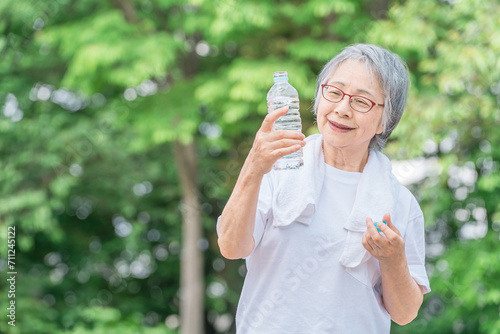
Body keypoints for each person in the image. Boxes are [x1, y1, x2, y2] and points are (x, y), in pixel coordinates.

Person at [217, 44, 430, 333]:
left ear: (384, 121)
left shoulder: (399, 204)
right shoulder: (277, 169)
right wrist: (252, 168)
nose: (342, 109)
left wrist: (392, 260)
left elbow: (404, 314)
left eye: (361, 102)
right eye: (334, 92)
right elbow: (231, 247)